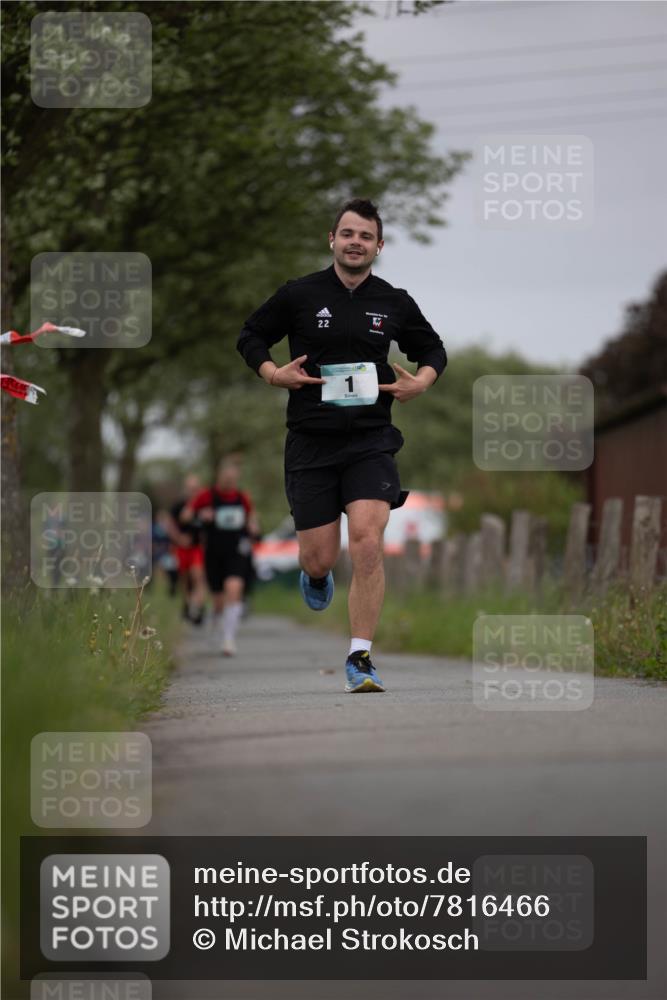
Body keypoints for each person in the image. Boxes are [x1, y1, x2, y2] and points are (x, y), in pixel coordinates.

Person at [237, 198, 446, 693]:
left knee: (369, 542)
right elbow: (251, 335)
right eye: (347, 233)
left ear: (379, 246)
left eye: (366, 236)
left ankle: (361, 658)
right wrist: (272, 374)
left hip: (371, 440)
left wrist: (423, 381)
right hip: (311, 441)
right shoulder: (299, 294)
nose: (356, 242)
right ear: (332, 239)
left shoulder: (394, 301)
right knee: (319, 558)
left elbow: (432, 347)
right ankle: (316, 576)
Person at [181, 460, 259, 656]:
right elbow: (185, 516)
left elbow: (252, 520)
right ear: (219, 477)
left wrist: (253, 527)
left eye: (233, 479)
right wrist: (200, 514)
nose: (229, 482)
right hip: (213, 552)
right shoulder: (206, 496)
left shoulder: (242, 498)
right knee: (218, 599)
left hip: (236, 551)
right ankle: (216, 624)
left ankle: (228, 638)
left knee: (234, 588)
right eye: (226, 479)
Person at [168, 474, 207, 624]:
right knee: (185, 578)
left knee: (198, 575)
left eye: (196, 488)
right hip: (182, 547)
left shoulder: (204, 505)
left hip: (198, 547)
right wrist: (178, 538)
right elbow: (170, 525)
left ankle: (198, 607)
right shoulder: (179, 505)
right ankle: (187, 604)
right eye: (191, 489)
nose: (193, 491)